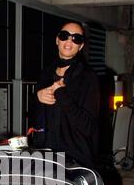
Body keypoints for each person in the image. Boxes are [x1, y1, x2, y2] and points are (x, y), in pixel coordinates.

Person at [35, 21, 100, 170]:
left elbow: (88, 126)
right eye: (65, 36)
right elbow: (36, 114)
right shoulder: (46, 73)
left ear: (81, 46)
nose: (69, 41)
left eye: (76, 38)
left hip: (75, 158)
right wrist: (38, 97)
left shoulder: (88, 77)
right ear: (57, 40)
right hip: (46, 154)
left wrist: (61, 95)